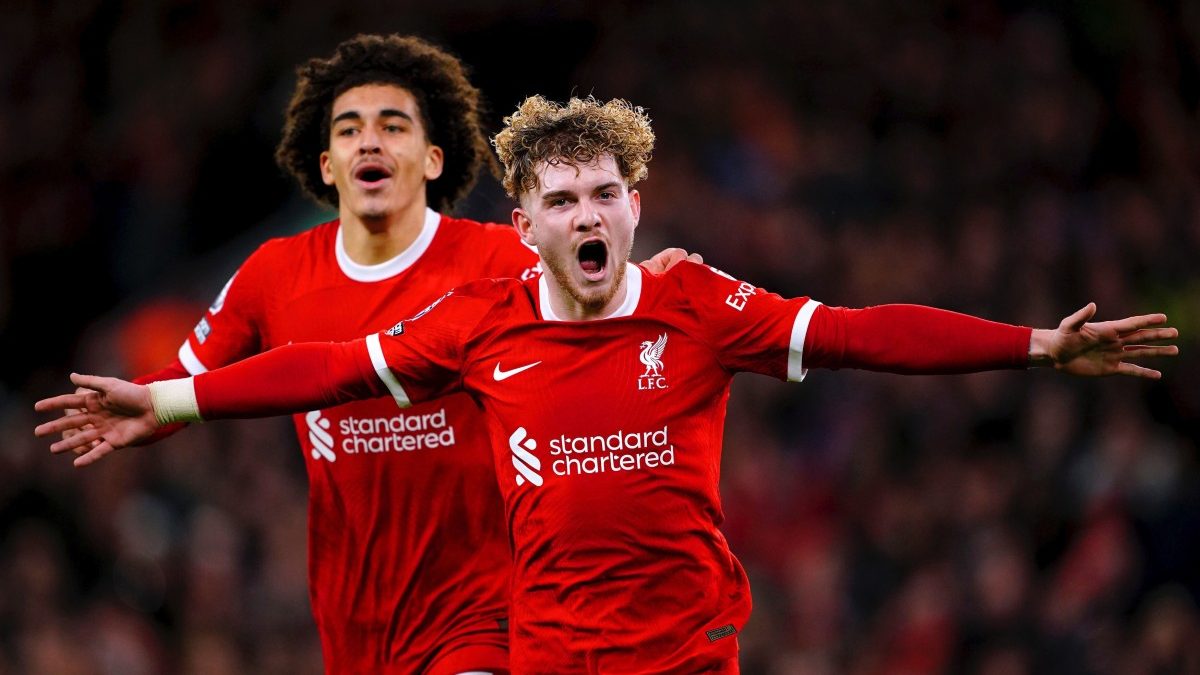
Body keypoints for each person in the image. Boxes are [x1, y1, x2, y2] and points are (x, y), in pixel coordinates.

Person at [37, 95, 1179, 673]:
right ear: (523, 220)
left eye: (605, 194)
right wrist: (172, 401)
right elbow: (330, 370)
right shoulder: (479, 322)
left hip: (687, 652)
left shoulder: (697, 307)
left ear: (635, 203)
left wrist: (1036, 344)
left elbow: (867, 334)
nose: (587, 216)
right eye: (562, 199)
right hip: (548, 654)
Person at [54, 39, 695, 675]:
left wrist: (649, 286)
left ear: (434, 159)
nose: (370, 142)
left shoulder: (499, 262)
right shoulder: (273, 276)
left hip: (486, 613)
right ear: (328, 164)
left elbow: (598, 298)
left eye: (393, 126)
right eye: (349, 129)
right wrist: (146, 407)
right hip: (356, 625)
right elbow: (186, 381)